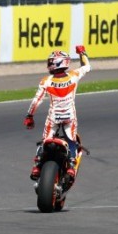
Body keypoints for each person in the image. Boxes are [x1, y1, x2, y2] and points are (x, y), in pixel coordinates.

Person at [24, 46, 92, 181]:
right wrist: (82, 53)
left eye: (51, 62)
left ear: (57, 63)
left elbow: (36, 101)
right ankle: (71, 166)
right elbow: (87, 66)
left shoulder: (46, 81)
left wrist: (29, 116)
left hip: (53, 118)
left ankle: (37, 166)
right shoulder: (74, 76)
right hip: (69, 117)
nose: (49, 64)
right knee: (71, 140)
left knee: (45, 141)